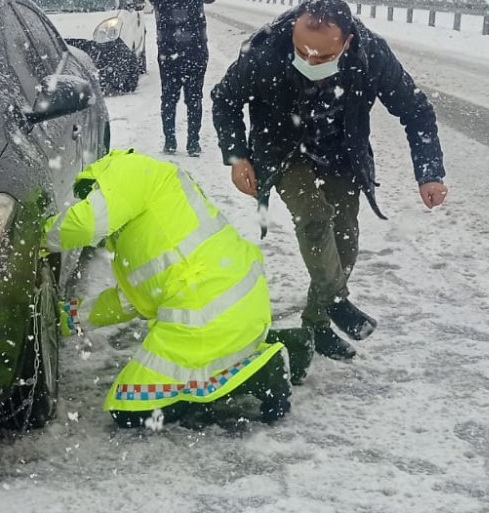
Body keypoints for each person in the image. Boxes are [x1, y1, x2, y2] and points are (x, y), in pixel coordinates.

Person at [211, 0, 449, 361]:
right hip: (284, 150)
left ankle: (316, 322)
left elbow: (415, 110)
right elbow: (225, 99)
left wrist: (429, 173)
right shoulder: (267, 50)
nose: (309, 61)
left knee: (345, 242)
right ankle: (337, 301)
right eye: (302, 51)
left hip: (342, 153)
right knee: (314, 217)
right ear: (293, 32)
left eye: (322, 57)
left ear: (347, 42)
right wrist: (237, 156)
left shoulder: (371, 55)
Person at [43, 148, 312, 429]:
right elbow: (133, 299)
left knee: (130, 408)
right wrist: (66, 318)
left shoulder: (126, 173)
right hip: (233, 300)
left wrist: (38, 237)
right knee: (197, 359)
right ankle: (287, 345)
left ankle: (264, 372)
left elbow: (83, 224)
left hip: (206, 308)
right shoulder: (151, 209)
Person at [145, 0, 217, 156]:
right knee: (194, 97)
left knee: (169, 96)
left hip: (168, 50)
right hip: (196, 50)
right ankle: (193, 144)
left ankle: (170, 142)